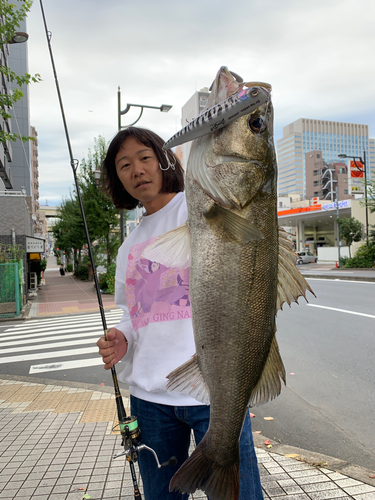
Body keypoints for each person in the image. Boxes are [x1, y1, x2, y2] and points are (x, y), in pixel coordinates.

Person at [96, 127, 264, 500]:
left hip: (213, 395)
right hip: (150, 398)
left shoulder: (202, 206)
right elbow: (131, 311)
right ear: (117, 178)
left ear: (164, 158)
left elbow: (246, 201)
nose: (137, 170)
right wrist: (123, 336)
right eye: (124, 165)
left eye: (144, 157)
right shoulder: (129, 246)